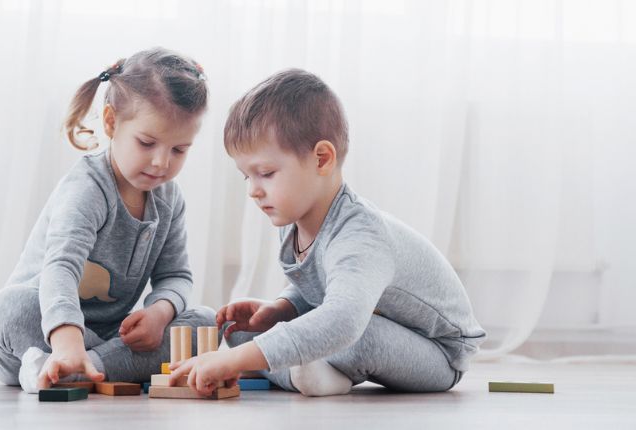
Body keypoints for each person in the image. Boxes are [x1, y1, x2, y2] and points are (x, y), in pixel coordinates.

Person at [170, 69, 486, 397]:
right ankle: (304, 372)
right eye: (246, 176)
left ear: (322, 159)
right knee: (239, 334)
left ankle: (313, 376)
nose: (253, 190)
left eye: (265, 173)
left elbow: (343, 319)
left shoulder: (360, 237)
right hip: (364, 324)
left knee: (356, 333)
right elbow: (323, 283)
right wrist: (283, 308)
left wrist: (234, 361)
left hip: (439, 354)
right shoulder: (295, 223)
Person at [0, 47, 214, 393]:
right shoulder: (87, 189)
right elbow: (61, 268)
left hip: (109, 335)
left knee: (206, 323)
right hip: (41, 326)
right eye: (147, 143)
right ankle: (68, 360)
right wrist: (67, 340)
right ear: (112, 122)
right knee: (6, 307)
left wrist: (160, 312)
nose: (161, 163)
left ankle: (90, 367)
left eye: (179, 150)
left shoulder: (169, 199)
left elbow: (176, 276)